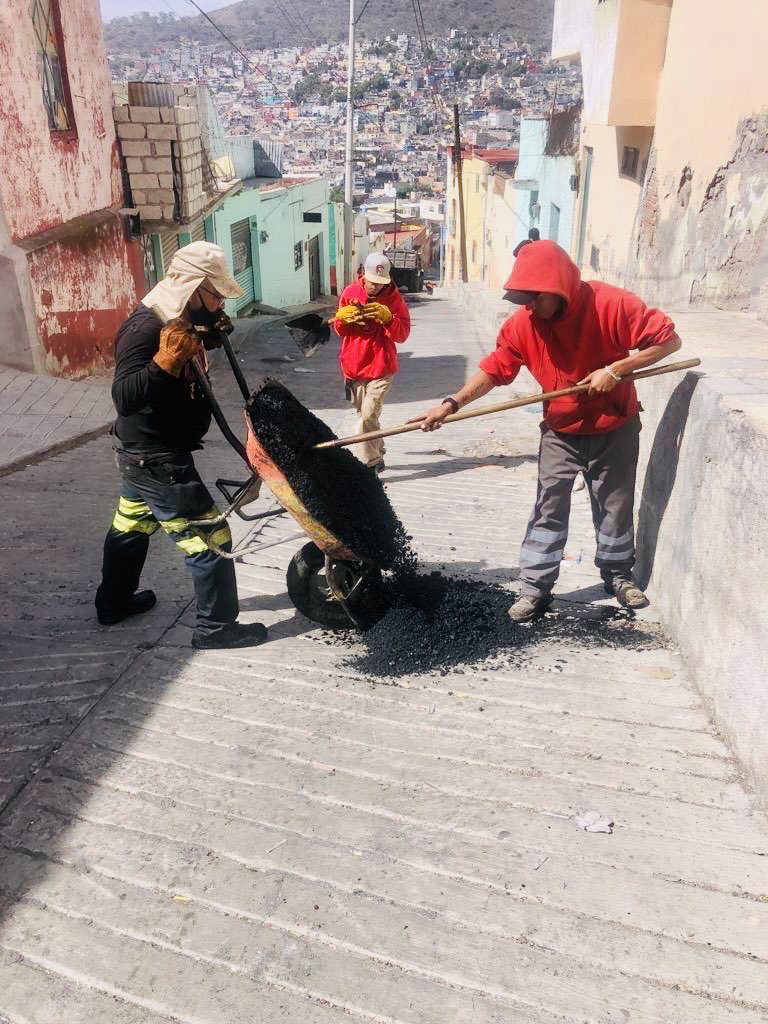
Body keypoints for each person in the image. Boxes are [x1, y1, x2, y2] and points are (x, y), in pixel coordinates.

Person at [417, 240, 682, 622]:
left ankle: (618, 575)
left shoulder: (612, 305)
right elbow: (494, 369)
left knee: (615, 504)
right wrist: (451, 404)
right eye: (524, 298)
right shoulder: (523, 325)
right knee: (549, 507)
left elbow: (669, 341)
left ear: (559, 288)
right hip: (561, 432)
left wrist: (616, 370)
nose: (528, 306)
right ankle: (535, 588)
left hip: (614, 426)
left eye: (535, 297)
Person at [94, 241, 268, 650]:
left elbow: (188, 346)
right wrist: (163, 365)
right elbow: (124, 397)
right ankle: (216, 628)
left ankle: (113, 603)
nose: (221, 301)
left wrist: (209, 332)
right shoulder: (144, 329)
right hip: (156, 458)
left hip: (142, 455)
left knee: (131, 526)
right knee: (211, 538)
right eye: (216, 294)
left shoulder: (178, 316)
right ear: (193, 289)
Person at [334, 252, 411, 473]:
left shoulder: (394, 299)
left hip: (381, 368)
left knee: (367, 416)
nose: (375, 287)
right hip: (354, 368)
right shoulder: (350, 293)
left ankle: (371, 465)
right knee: (367, 418)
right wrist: (342, 319)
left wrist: (389, 319)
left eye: (380, 283)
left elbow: (402, 334)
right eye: (372, 282)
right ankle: (378, 452)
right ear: (363, 274)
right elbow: (340, 330)